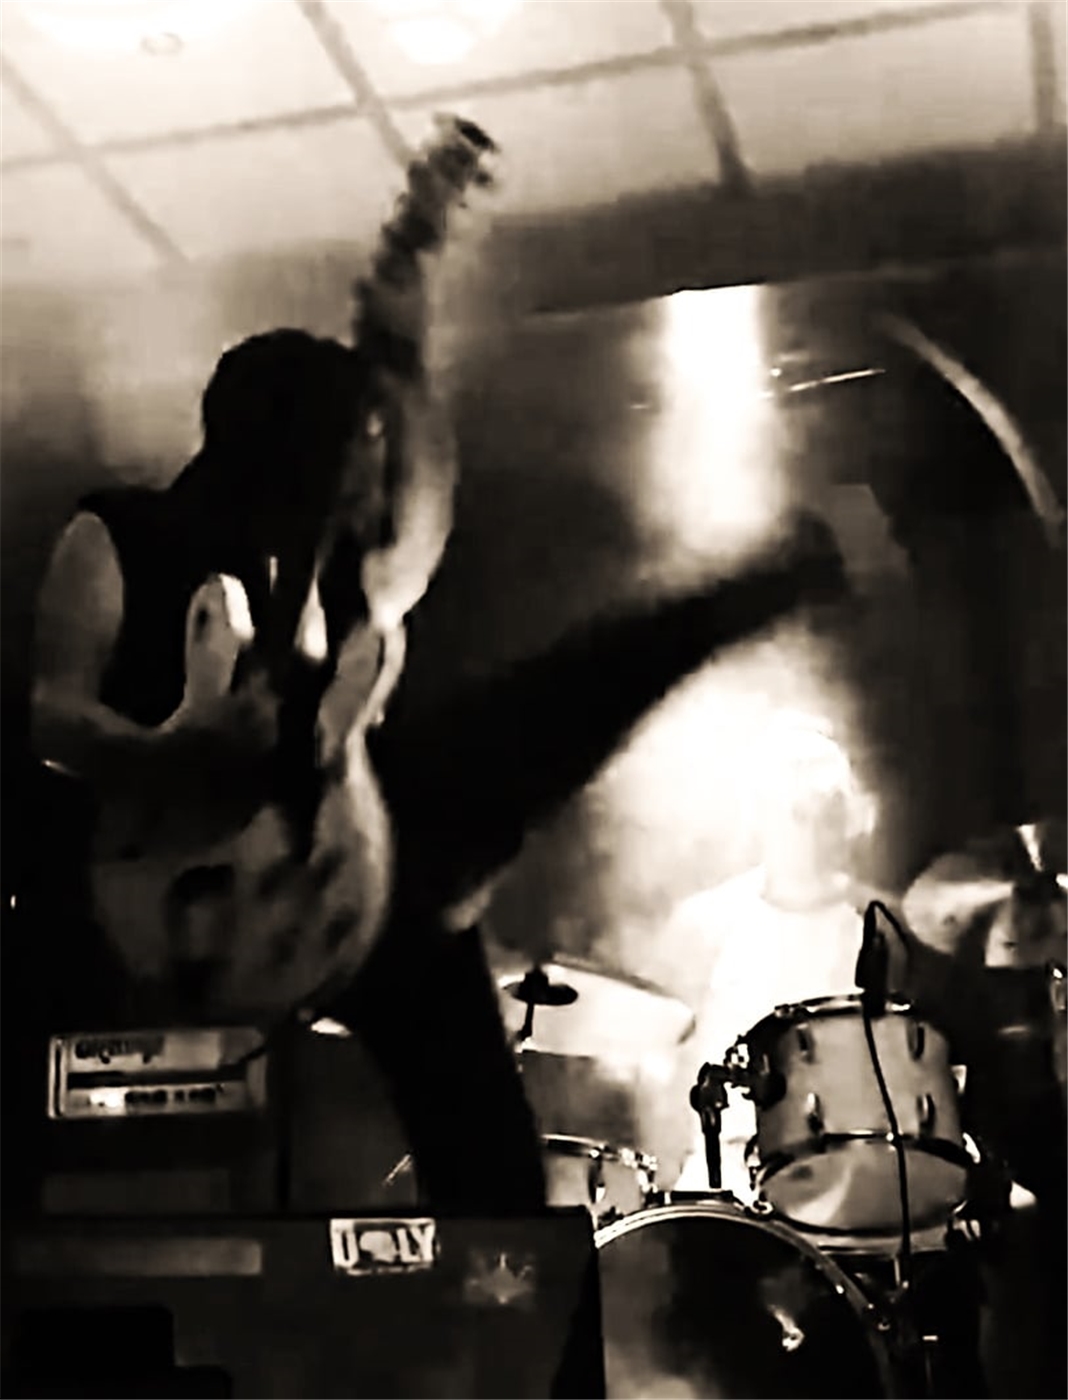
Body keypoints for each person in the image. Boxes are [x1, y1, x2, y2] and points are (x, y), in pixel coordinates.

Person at [16, 223, 851, 1216]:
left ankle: (517, 1297)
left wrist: (405, 361)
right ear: (295, 453)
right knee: (511, 737)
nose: (372, 479)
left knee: (493, 1172)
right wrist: (169, 753)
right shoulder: (123, 535)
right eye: (358, 455)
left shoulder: (339, 568)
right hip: (181, 907)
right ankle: (783, 574)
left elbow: (419, 531)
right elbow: (51, 712)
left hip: (349, 883)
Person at [670, 714, 873, 1196]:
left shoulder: (877, 925)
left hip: (848, 1164)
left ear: (845, 821)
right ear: (760, 817)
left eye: (826, 812)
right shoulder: (706, 924)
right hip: (725, 1168)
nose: (812, 829)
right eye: (795, 812)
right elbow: (663, 1062)